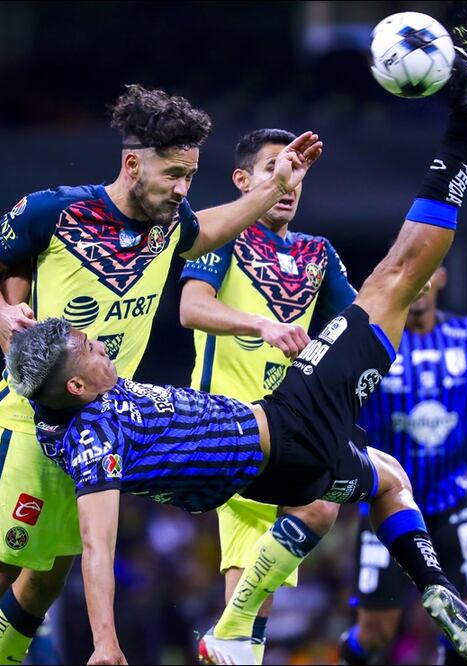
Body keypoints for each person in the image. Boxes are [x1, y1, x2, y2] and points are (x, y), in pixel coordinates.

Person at [5, 48, 467, 666]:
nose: (102, 343)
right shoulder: (95, 438)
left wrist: (14, 313)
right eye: (88, 348)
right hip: (279, 427)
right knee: (398, 278)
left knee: (373, 485)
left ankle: (428, 587)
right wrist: (105, 641)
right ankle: (465, 134)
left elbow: (41, 373)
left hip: (276, 453)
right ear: (77, 387)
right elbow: (96, 542)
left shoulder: (64, 414)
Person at [0, 84, 323, 664]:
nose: (182, 189)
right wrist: (0, 311)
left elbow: (213, 227)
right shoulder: (55, 211)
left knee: (44, 582)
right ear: (133, 164)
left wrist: (274, 186)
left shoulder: (170, 225)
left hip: (99, 428)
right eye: (173, 175)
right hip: (30, 422)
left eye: (190, 176)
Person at [179, 127, 357, 662]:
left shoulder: (317, 253)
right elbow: (191, 308)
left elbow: (354, 327)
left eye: (297, 172)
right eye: (275, 168)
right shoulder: (223, 233)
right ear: (243, 180)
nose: (289, 182)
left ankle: (230, 642)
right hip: (225, 418)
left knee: (257, 575)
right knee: (314, 509)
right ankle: (228, 638)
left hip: (287, 423)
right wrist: (260, 324)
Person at [338, 265, 467, 666]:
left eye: (428, 270)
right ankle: (345, 654)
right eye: (412, 269)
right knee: (375, 634)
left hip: (451, 503)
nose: (420, 281)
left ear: (442, 276)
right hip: (387, 506)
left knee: (466, 628)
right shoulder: (375, 336)